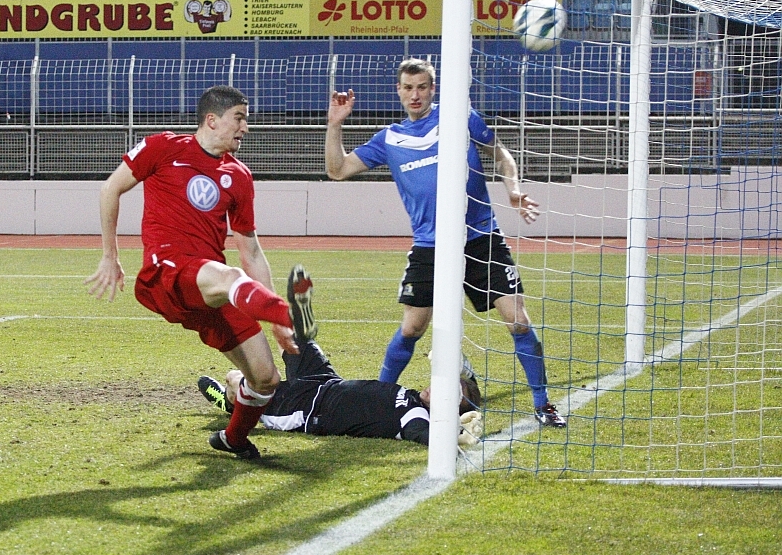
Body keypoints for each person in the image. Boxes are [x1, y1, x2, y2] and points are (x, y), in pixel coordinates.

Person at [324, 57, 566, 428]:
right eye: (408, 88)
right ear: (398, 91)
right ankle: (378, 403)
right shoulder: (390, 139)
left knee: (518, 321)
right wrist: (335, 124)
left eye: (422, 87)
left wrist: (513, 189)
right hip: (430, 244)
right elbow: (337, 170)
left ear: (432, 89)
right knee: (412, 329)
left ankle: (543, 404)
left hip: (480, 236)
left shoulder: (460, 117)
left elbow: (501, 154)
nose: (415, 94)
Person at [85, 85, 297, 460]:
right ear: (212, 120)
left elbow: (250, 250)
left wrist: (273, 321)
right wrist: (109, 255)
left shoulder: (239, 176)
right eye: (239, 118)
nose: (245, 127)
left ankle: (233, 439)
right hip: (166, 273)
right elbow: (110, 189)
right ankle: (289, 313)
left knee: (266, 378)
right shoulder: (163, 148)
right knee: (230, 277)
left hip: (207, 289)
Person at [198, 265, 484, 447]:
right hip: (325, 381)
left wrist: (457, 433)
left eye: (447, 395)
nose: (437, 388)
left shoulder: (414, 416)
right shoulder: (411, 398)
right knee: (293, 333)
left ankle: (232, 402)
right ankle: (296, 319)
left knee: (237, 378)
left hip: (306, 410)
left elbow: (427, 437)